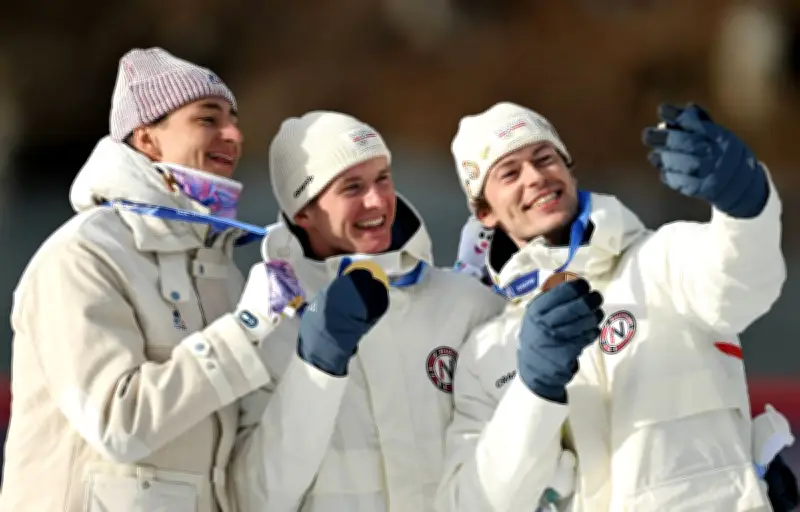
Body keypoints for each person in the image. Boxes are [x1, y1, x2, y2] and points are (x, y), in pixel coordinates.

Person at [435, 101, 791, 511]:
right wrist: (533, 391)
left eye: (545, 158)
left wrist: (745, 205)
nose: (535, 177)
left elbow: (744, 284)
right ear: (485, 212)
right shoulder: (486, 352)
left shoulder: (659, 261)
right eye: (509, 173)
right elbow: (474, 503)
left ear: (569, 170)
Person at [0, 47, 284, 512]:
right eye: (207, 119)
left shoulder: (221, 268)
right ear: (147, 139)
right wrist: (248, 327)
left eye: (234, 120)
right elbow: (119, 424)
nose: (233, 134)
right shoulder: (83, 255)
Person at [228, 110, 506, 511]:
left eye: (383, 179)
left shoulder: (466, 304)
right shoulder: (268, 327)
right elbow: (256, 500)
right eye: (352, 187)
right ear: (302, 212)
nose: (376, 200)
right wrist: (316, 367)